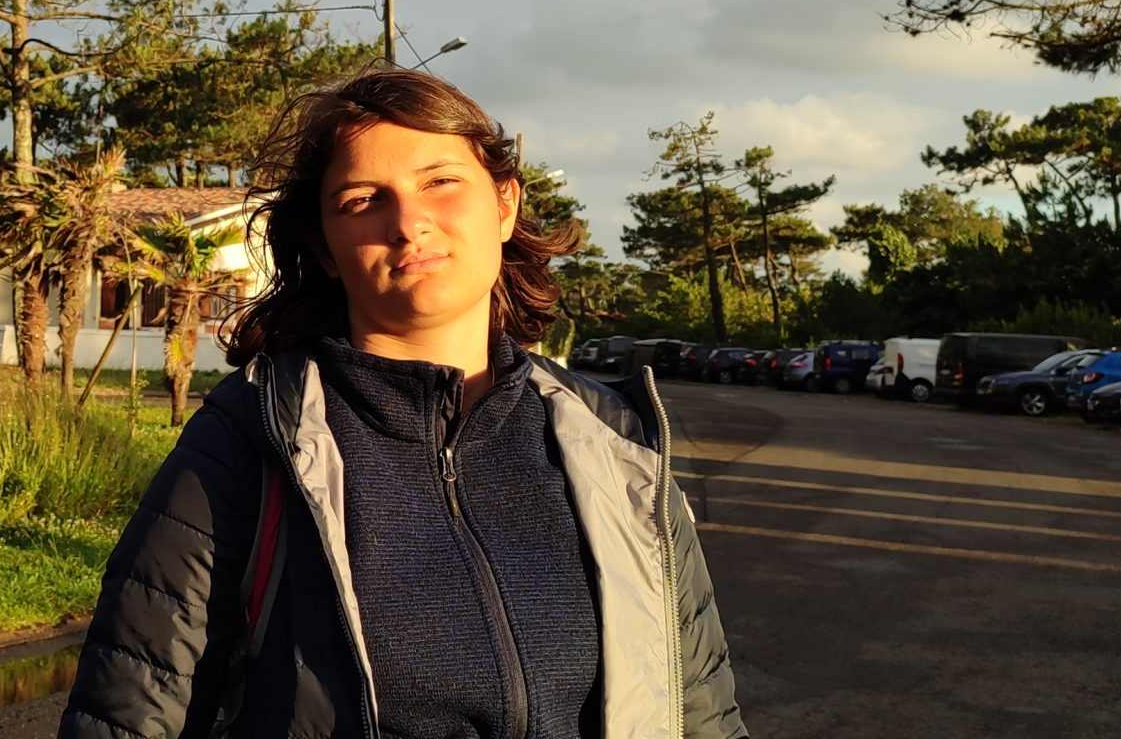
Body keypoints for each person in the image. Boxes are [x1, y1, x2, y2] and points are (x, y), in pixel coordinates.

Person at [58, 68, 744, 739]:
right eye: (362, 200)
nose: (409, 223)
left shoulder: (613, 440)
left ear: (504, 204)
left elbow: (702, 713)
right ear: (326, 250)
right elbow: (127, 716)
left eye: (440, 182)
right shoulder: (248, 441)